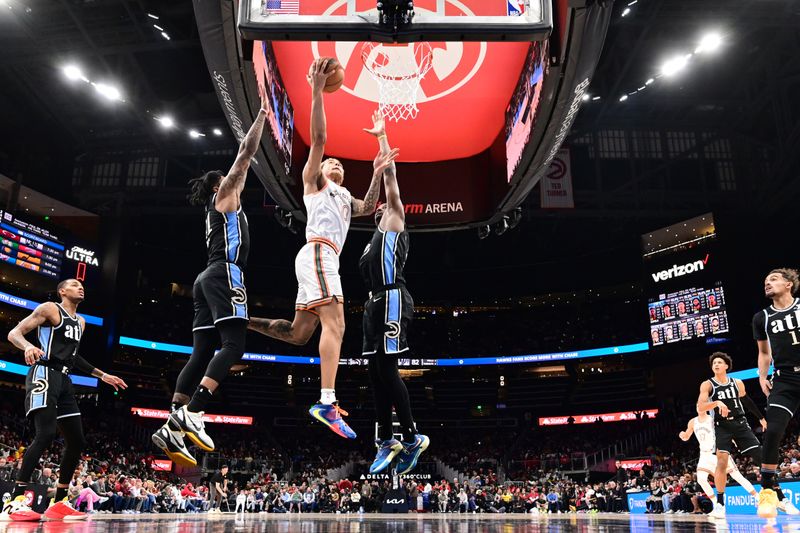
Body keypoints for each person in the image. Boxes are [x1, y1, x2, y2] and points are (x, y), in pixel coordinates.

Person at [247, 58, 396, 439]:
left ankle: (242, 319)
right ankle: (326, 401)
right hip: (318, 251)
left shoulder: (345, 195)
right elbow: (319, 140)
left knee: (300, 334)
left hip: (321, 257)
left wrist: (377, 173)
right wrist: (316, 91)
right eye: (332, 163)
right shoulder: (314, 183)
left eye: (341, 166)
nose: (336, 165)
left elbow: (367, 207)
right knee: (338, 323)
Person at [151, 90, 269, 466]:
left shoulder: (214, 209)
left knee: (201, 351)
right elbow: (245, 155)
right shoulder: (225, 198)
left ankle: (171, 424)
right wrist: (263, 114)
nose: (238, 180)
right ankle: (196, 411)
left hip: (204, 278)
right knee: (234, 345)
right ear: (222, 185)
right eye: (231, 179)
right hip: (225, 273)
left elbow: (244, 167)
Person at [3, 279, 127, 521]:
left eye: (83, 285)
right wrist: (28, 346)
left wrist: (104, 375)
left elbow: (74, 357)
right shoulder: (50, 308)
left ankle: (58, 501)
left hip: (65, 380)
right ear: (62, 291)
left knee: (77, 440)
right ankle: (15, 500)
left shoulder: (81, 322)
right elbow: (14, 333)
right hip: (44, 373)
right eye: (74, 284)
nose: (81, 287)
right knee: (46, 434)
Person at [360, 111, 428, 475]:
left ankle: (412, 436)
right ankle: (386, 438)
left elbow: (391, 179)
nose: (384, 204)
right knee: (374, 373)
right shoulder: (370, 242)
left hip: (392, 297)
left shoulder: (395, 221)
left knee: (387, 369)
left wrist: (381, 138)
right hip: (373, 304)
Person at [697, 352, 765, 519]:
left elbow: (747, 401)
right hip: (722, 426)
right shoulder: (707, 384)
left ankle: (773, 493)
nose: (716, 365)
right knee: (721, 462)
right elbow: (700, 406)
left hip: (740, 423)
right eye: (714, 363)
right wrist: (717, 402)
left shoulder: (737, 383)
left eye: (720, 362)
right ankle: (720, 504)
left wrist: (761, 418)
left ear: (726, 366)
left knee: (760, 457)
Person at [755, 268, 800, 517]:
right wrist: (762, 376)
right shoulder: (761, 317)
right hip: (784, 378)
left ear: (788, 284)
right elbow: (764, 353)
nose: (767, 283)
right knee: (772, 431)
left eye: (773, 279)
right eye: (765, 280)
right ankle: (768, 494)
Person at [678, 407, 758, 506]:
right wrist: (683, 435)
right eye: (698, 405)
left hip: (718, 451)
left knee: (737, 476)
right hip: (704, 455)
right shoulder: (692, 422)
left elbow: (727, 431)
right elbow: (686, 436)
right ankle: (717, 504)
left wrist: (735, 441)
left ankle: (757, 497)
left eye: (702, 405)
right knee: (701, 479)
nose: (699, 407)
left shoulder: (713, 419)